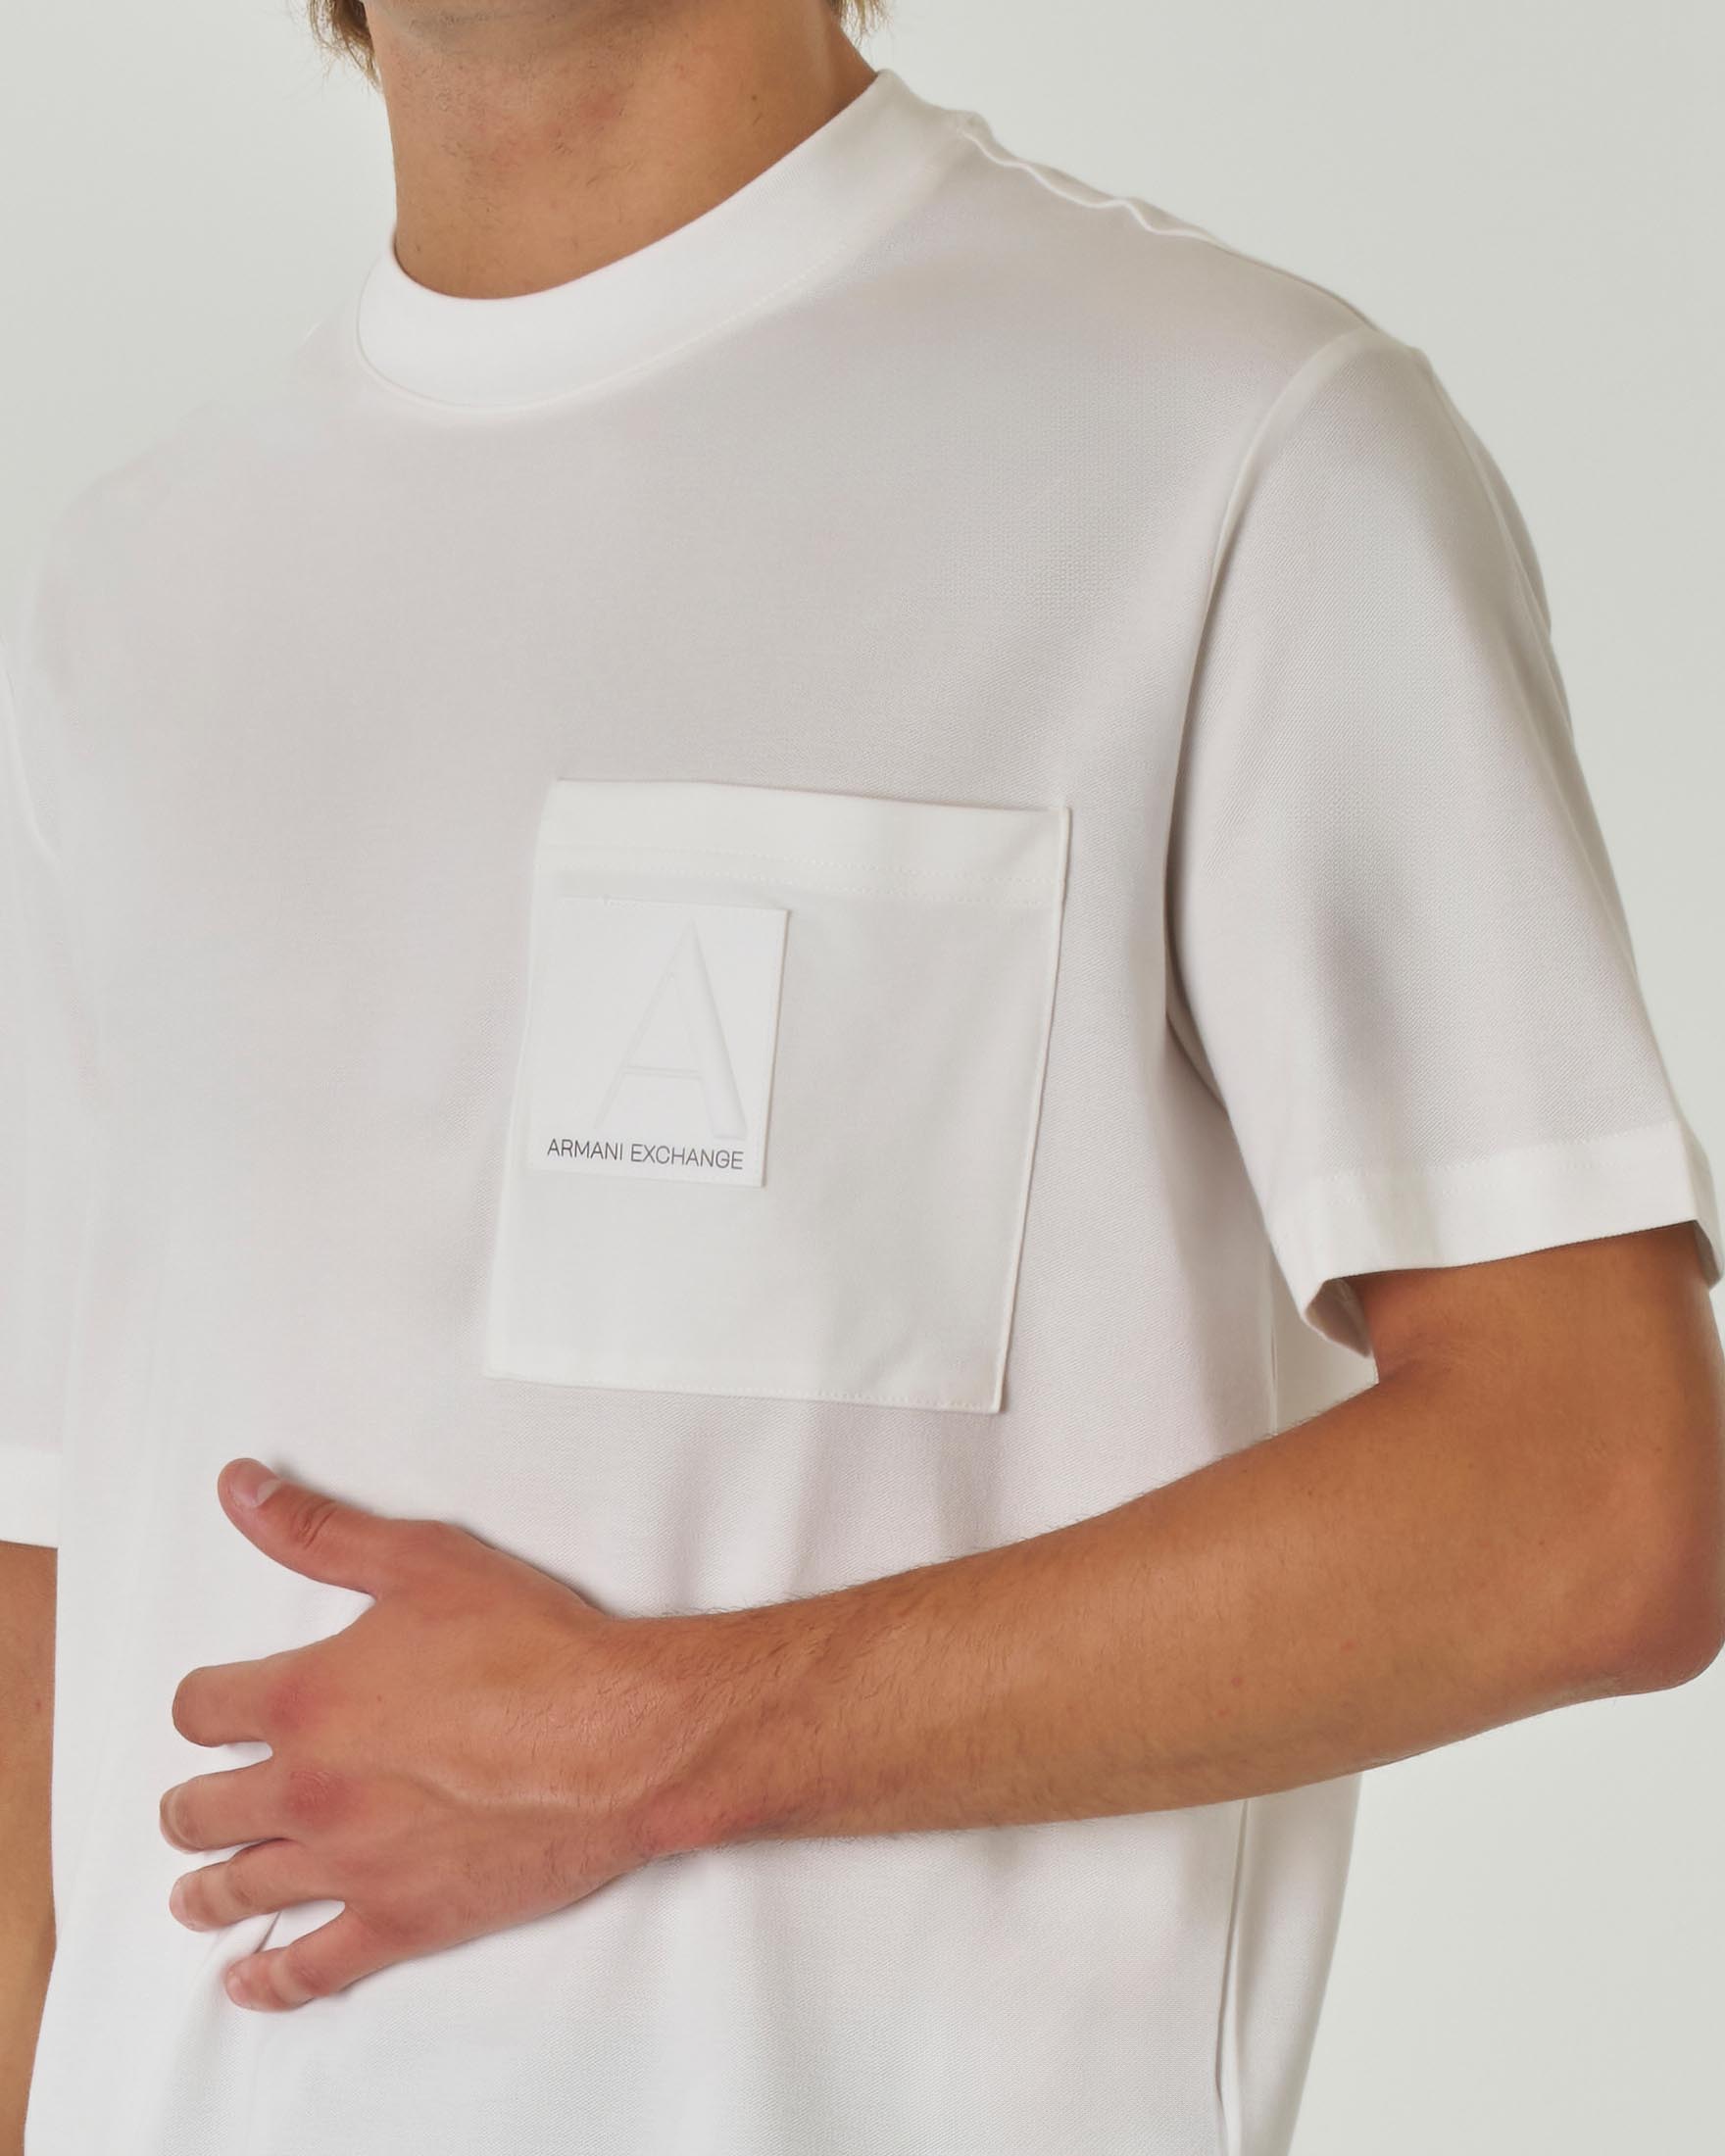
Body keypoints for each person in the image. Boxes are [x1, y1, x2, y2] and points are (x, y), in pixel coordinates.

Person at [2, 3, 1721, 2151]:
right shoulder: (127, 599)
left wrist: (653, 1738)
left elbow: (1592, 1501)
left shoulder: (1227, 448)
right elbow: (46, 1578)